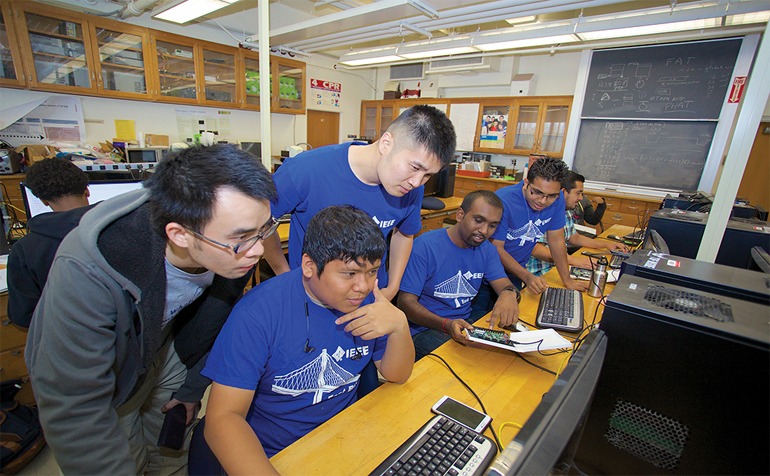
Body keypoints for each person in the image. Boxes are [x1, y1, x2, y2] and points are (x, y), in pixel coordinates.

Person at [24, 144, 278, 475]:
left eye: (264, 230)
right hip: (112, 364)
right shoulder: (88, 269)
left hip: (169, 342)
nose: (258, 250)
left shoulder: (227, 247)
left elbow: (217, 325)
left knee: (171, 444)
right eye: (243, 238)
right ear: (180, 235)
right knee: (123, 453)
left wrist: (192, 389)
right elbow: (75, 410)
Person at [198, 205, 414, 475]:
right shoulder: (257, 314)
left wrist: (399, 325)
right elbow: (223, 419)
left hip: (344, 439)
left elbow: (397, 374)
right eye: (350, 274)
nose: (364, 286)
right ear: (310, 266)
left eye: (372, 272)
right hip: (277, 455)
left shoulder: (369, 301)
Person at [261, 104, 456, 301]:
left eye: (428, 175)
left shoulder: (411, 187)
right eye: (414, 167)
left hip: (370, 297)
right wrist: (284, 275)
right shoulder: (305, 170)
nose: (417, 182)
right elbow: (261, 221)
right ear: (386, 143)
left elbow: (405, 233)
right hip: (312, 297)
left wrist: (393, 287)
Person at [398, 190, 520, 360]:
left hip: (463, 322)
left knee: (507, 352)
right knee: (472, 361)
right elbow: (405, 303)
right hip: (424, 328)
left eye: (492, 225)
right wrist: (446, 324)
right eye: (478, 220)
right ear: (460, 215)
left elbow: (504, 284)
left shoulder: (488, 250)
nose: (484, 231)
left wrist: (509, 293)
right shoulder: (425, 246)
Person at [7, 158, 93, 327]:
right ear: (86, 190)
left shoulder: (25, 249)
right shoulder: (126, 228)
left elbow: (23, 316)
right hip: (132, 343)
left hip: (67, 340)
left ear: (43, 200)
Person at [489, 156, 588, 295]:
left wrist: (567, 279)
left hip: (516, 269)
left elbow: (557, 241)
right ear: (526, 183)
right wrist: (527, 276)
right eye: (537, 192)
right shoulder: (503, 200)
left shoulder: (557, 200)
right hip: (488, 270)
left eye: (551, 196)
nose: (542, 201)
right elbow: (496, 249)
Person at [526, 172, 629, 276]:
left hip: (559, 265)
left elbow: (574, 238)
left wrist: (607, 244)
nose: (580, 198)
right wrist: (574, 260)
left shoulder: (566, 211)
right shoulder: (543, 210)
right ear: (563, 192)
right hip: (543, 273)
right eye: (578, 193)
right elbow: (536, 249)